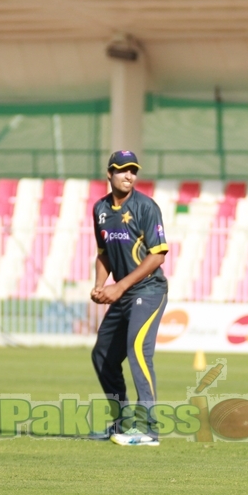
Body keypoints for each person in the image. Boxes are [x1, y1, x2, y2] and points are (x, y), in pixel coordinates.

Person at [90, 150, 169, 447]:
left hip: (148, 291)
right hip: (122, 293)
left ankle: (149, 430)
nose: (129, 176)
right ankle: (121, 424)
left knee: (137, 350)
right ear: (109, 174)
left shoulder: (146, 207)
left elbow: (158, 255)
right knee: (103, 356)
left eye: (133, 170)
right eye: (122, 170)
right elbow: (103, 254)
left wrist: (118, 287)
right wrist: (100, 286)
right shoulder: (99, 208)